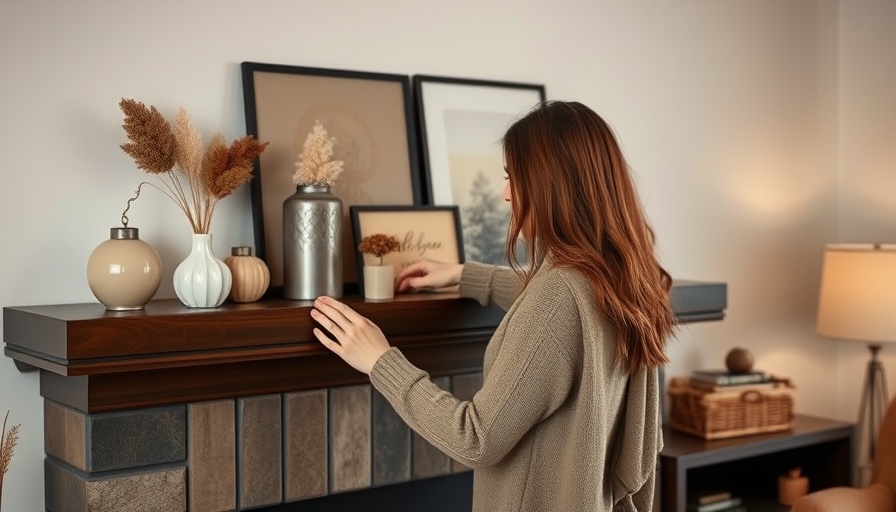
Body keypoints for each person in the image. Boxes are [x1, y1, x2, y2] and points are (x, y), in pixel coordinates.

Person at [310, 100, 676, 511]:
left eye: (513, 178)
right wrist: (466, 274)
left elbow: (475, 438)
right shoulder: (628, 282)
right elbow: (553, 306)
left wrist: (381, 361)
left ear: (551, 184)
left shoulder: (559, 297)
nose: (505, 194)